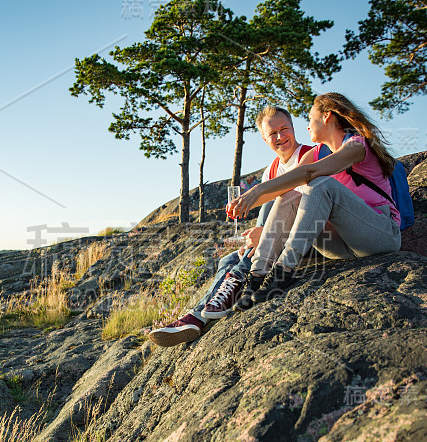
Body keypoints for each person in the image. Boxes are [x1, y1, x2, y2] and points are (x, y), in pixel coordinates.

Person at [148, 106, 313, 347]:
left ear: (293, 127)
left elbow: (306, 207)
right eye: (272, 133)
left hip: (305, 239)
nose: (279, 137)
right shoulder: (273, 168)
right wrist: (257, 236)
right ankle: (196, 318)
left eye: (284, 129)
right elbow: (268, 217)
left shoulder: (310, 155)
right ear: (264, 139)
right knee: (227, 261)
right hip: (278, 240)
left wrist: (265, 235)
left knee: (274, 206)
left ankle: (225, 290)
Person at [228, 92, 401, 311]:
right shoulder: (318, 152)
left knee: (319, 184)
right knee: (290, 194)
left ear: (327, 116)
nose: (307, 125)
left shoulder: (357, 145)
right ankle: (257, 276)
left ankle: (284, 271)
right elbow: (288, 183)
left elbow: (310, 173)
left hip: (380, 235)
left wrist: (258, 189)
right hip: (341, 245)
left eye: (310, 117)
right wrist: (244, 202)